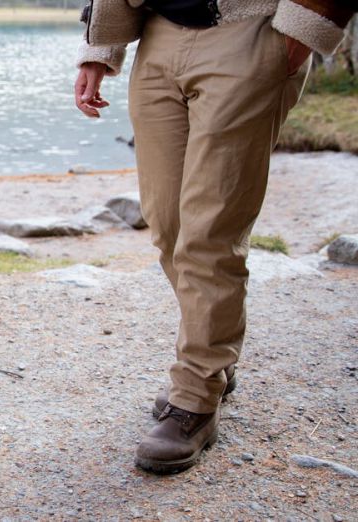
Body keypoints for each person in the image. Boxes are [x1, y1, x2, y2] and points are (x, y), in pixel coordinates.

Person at [73, 0, 356, 473]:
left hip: (249, 32)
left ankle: (195, 397)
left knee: (210, 232)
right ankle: (214, 362)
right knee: (168, 226)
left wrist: (293, 40)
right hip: (158, 34)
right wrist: (98, 48)